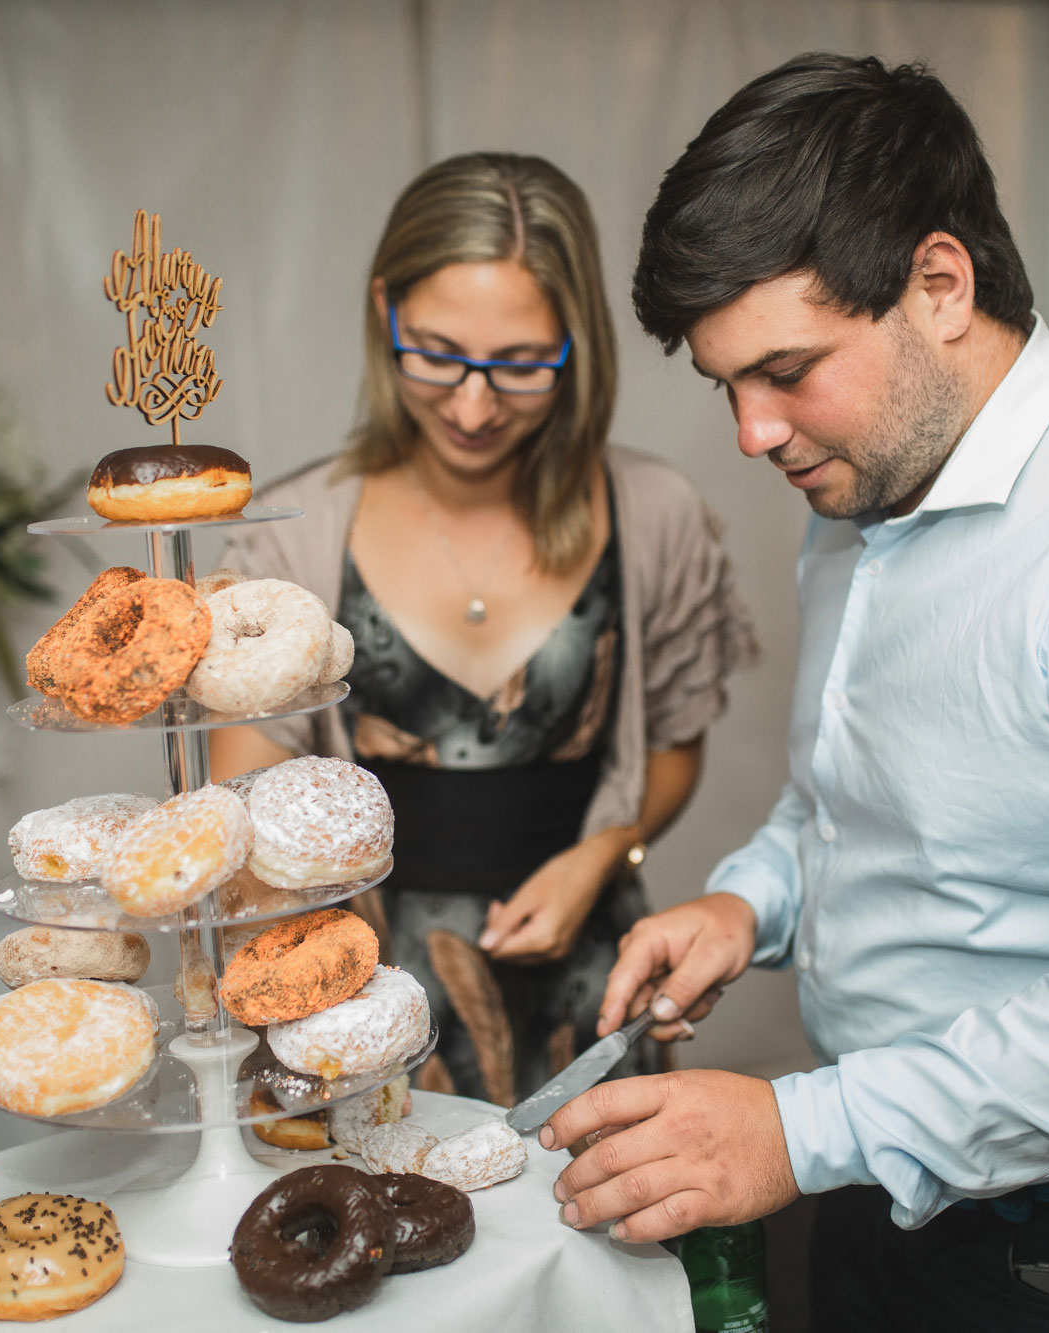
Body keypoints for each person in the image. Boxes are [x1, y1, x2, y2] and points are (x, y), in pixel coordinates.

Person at [541, 54, 1049, 1329]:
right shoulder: (858, 485)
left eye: (785, 368)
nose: (750, 432)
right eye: (725, 386)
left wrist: (797, 1128)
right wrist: (748, 907)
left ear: (938, 283)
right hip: (890, 1177)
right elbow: (850, 806)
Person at [213, 151, 758, 1105]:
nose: (472, 406)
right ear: (383, 310)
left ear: (577, 340)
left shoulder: (654, 510)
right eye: (435, 352)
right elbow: (240, 793)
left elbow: (673, 748)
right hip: (361, 1010)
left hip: (590, 998)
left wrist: (606, 854)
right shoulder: (292, 538)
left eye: (519, 366)